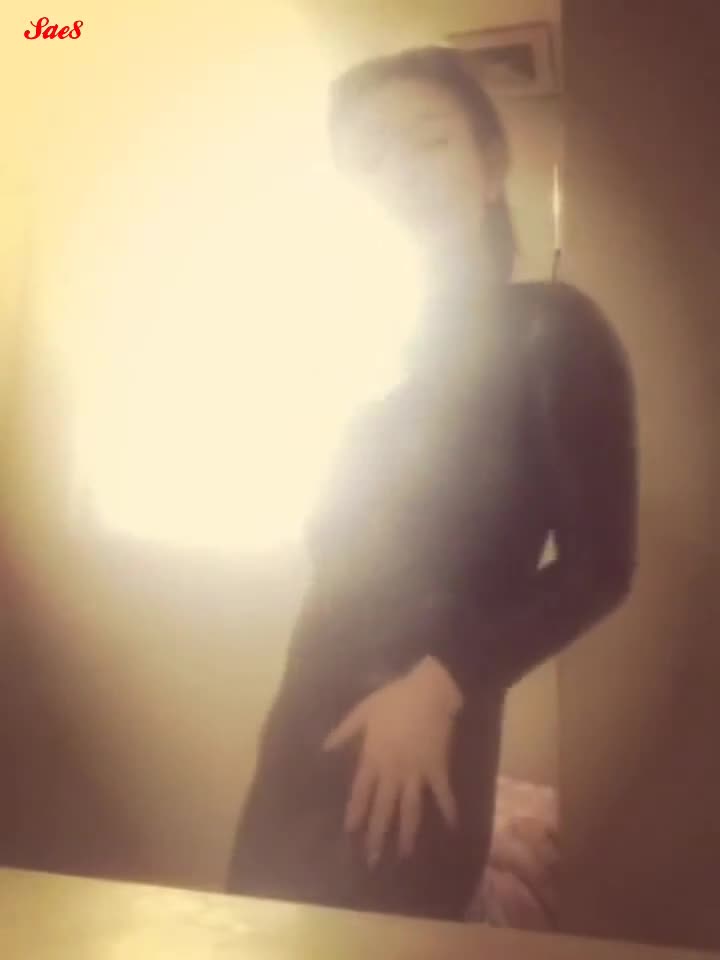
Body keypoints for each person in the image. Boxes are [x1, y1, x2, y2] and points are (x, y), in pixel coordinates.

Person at [226, 46, 636, 922]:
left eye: (428, 141)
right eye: (367, 157)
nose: (398, 173)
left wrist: (439, 685)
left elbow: (600, 568)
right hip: (302, 723)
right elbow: (346, 568)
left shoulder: (550, 328)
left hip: (419, 736)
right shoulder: (356, 349)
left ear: (490, 166)